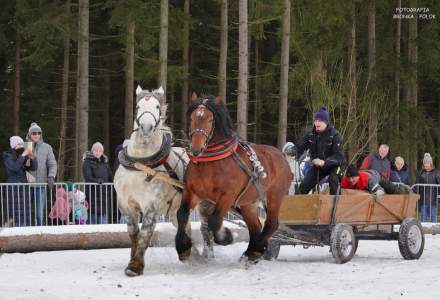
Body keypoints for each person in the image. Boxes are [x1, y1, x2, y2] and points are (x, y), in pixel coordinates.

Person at [295, 106, 345, 195]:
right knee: (304, 185)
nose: (317, 123)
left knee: (333, 179)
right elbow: (300, 146)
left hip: (336, 166)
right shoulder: (311, 134)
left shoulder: (335, 135)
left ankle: (336, 206)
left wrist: (324, 162)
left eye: (320, 121)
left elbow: (339, 157)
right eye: (316, 120)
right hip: (319, 167)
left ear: (326, 122)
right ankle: (296, 206)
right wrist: (293, 151)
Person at [26, 122, 58, 226]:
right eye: (34, 133)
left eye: (38, 133)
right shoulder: (25, 146)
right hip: (26, 184)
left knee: (40, 212)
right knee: (27, 211)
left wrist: (51, 176)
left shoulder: (47, 147)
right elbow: (19, 165)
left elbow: (52, 163)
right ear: (30, 134)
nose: (36, 135)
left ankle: (40, 231)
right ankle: (26, 232)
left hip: (41, 184)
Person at [2, 136, 38, 226]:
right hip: (13, 189)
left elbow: (33, 168)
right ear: (13, 146)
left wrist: (31, 157)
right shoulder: (7, 156)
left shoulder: (21, 156)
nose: (22, 146)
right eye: (19, 144)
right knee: (12, 212)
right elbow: (14, 168)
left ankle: (23, 231)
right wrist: (23, 155)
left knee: (23, 213)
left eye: (22, 144)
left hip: (24, 189)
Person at [82, 142, 113, 224]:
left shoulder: (105, 163)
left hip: (104, 196)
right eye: (96, 150)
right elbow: (88, 177)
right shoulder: (87, 162)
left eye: (100, 151)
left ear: (102, 152)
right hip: (93, 195)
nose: (98, 152)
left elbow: (110, 176)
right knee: (92, 224)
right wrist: (97, 181)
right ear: (92, 151)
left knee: (103, 225)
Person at [341, 164, 410, 200]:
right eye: (349, 178)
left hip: (378, 178)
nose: (351, 180)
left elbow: (380, 191)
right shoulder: (345, 181)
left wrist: (378, 193)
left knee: (392, 189)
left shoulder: (367, 179)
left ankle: (405, 189)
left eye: (353, 177)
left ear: (358, 176)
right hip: (365, 186)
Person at [415, 153, 440, 222]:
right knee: (423, 216)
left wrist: (439, 193)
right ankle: (423, 229)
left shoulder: (436, 173)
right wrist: (416, 193)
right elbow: (417, 185)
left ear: (431, 164)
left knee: (433, 215)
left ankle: (434, 231)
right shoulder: (420, 173)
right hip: (423, 198)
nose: (426, 165)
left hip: (433, 199)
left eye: (427, 163)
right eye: (425, 163)